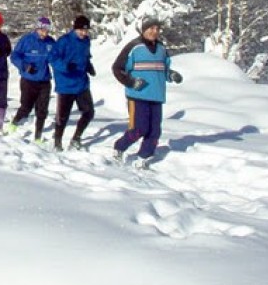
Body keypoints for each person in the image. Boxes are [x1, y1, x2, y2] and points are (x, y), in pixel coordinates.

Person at [111, 17, 183, 169]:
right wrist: (130, 82)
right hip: (137, 95)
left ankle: (143, 157)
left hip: (156, 96)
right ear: (143, 30)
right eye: (150, 28)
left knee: (155, 131)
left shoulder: (162, 48)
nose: (154, 32)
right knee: (139, 129)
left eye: (157, 29)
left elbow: (163, 70)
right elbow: (117, 68)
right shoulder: (134, 47)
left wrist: (172, 75)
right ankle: (119, 147)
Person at [48, 15, 96, 152]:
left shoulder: (86, 41)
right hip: (65, 84)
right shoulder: (64, 41)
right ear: (75, 28)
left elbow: (86, 56)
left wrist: (89, 66)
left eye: (86, 30)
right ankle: (57, 141)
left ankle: (76, 138)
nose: (83, 33)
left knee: (89, 112)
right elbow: (52, 57)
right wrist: (64, 66)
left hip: (81, 84)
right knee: (63, 117)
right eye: (81, 30)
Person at [9, 16, 56, 144]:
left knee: (42, 110)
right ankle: (14, 122)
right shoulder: (27, 40)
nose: (44, 33)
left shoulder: (50, 42)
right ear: (37, 28)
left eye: (47, 31)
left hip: (44, 81)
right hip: (28, 80)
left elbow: (57, 58)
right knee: (26, 107)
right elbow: (14, 56)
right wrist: (24, 66)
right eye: (42, 30)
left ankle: (38, 136)